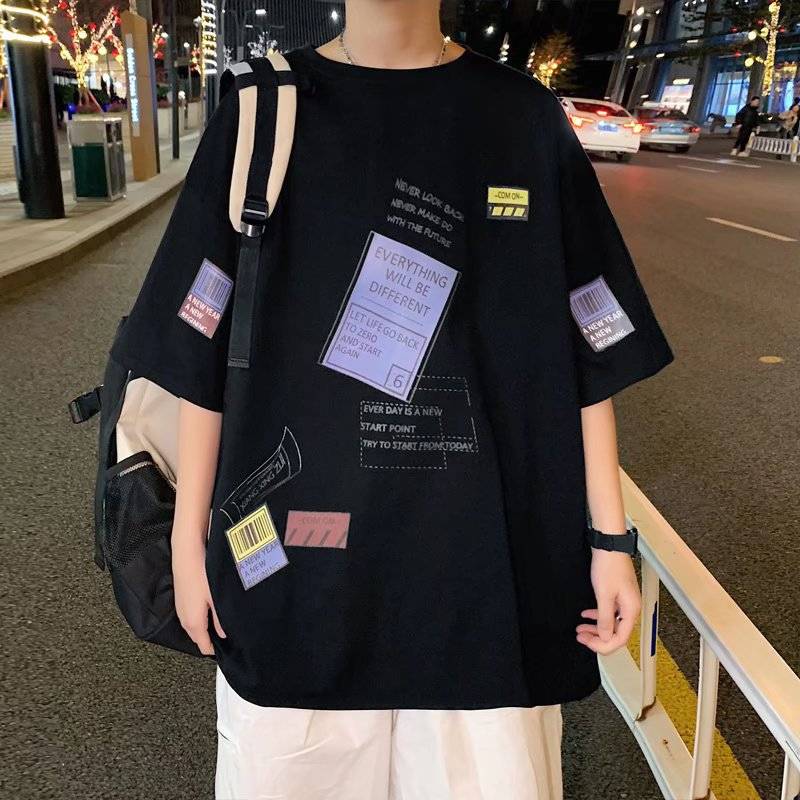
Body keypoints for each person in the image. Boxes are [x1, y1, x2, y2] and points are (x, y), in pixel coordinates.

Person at [111, 1, 673, 797]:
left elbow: (583, 347)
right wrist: (187, 539)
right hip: (296, 578)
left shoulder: (520, 117)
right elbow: (198, 353)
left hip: (484, 572)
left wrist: (610, 540)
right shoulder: (263, 111)